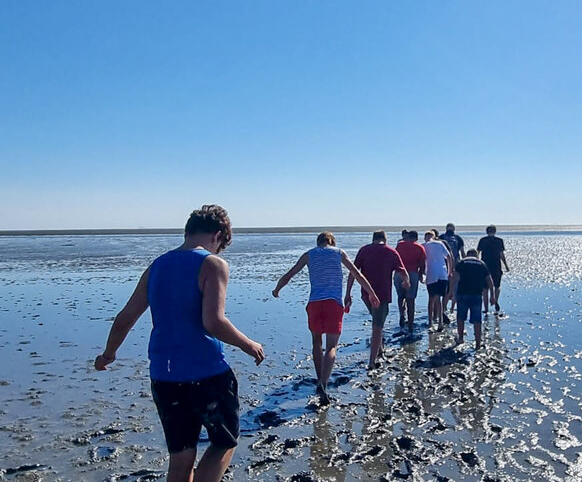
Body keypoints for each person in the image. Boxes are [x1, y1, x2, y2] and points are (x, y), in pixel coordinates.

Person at [94, 205, 265, 482]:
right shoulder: (213, 264)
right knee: (224, 443)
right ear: (218, 236)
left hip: (164, 377)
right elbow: (213, 322)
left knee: (181, 458)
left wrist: (108, 355)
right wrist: (248, 344)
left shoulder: (157, 266)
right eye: (220, 245)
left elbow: (125, 317)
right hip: (207, 374)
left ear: (187, 232)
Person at [272, 231, 379, 404]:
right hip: (333, 304)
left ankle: (318, 379)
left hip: (314, 303)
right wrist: (372, 293)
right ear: (332, 241)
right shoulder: (339, 253)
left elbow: (290, 274)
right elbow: (357, 274)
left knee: (316, 342)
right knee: (332, 347)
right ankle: (324, 382)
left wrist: (277, 289)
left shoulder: (309, 255)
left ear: (318, 242)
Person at [345, 230, 410, 370]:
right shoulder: (391, 252)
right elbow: (403, 271)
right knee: (377, 326)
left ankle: (379, 349)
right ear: (385, 239)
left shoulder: (364, 250)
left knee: (377, 321)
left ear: (373, 238)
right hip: (382, 295)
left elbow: (353, 273)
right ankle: (372, 362)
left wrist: (348, 293)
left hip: (366, 294)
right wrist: (406, 282)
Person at [450, 249, 496, 350]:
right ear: (476, 255)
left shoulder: (461, 263)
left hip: (463, 293)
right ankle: (478, 343)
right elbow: (490, 281)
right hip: (477, 294)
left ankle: (461, 338)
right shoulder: (481, 264)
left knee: (460, 317)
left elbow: (455, 278)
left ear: (467, 255)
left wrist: (450, 292)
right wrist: (492, 296)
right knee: (477, 320)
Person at [394, 229, 426, 332]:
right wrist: (421, 274)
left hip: (399, 273)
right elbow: (422, 264)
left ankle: (401, 314)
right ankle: (410, 324)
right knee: (410, 299)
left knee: (400, 296)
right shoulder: (419, 247)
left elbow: (395, 258)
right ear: (416, 238)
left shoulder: (400, 245)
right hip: (412, 273)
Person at [422, 229, 453, 331]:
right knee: (438, 298)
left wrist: (421, 273)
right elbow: (449, 257)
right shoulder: (440, 244)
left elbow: (421, 260)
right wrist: (449, 271)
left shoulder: (423, 246)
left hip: (431, 273)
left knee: (431, 299)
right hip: (442, 273)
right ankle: (440, 322)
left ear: (425, 237)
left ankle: (430, 322)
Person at [477, 225, 510, 312]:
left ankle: (486, 308)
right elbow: (501, 255)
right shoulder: (499, 241)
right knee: (497, 286)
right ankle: (495, 300)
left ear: (487, 232)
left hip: (485, 266)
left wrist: (477, 263)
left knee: (485, 288)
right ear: (495, 232)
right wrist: (506, 265)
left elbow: (478, 253)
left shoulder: (483, 240)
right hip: (496, 266)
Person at [440, 223, 464, 314]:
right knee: (455, 287)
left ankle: (443, 308)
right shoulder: (458, 238)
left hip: (444, 265)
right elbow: (462, 252)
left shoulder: (441, 237)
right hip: (456, 264)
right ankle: (452, 309)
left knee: (445, 287)